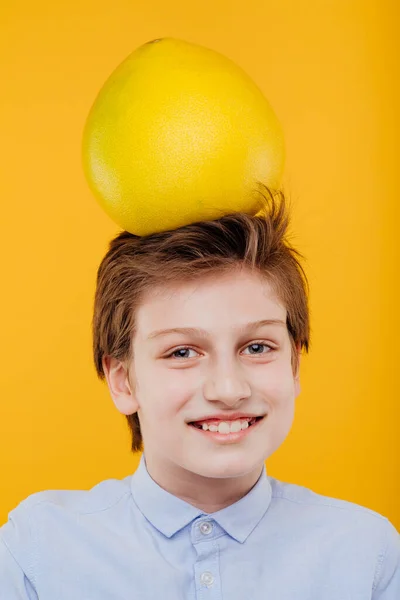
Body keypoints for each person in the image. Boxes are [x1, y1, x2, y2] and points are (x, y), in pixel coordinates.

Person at [0, 189, 398, 599]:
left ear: (295, 365)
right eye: (182, 352)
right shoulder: (36, 552)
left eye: (257, 347)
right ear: (122, 380)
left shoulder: (367, 554)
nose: (228, 389)